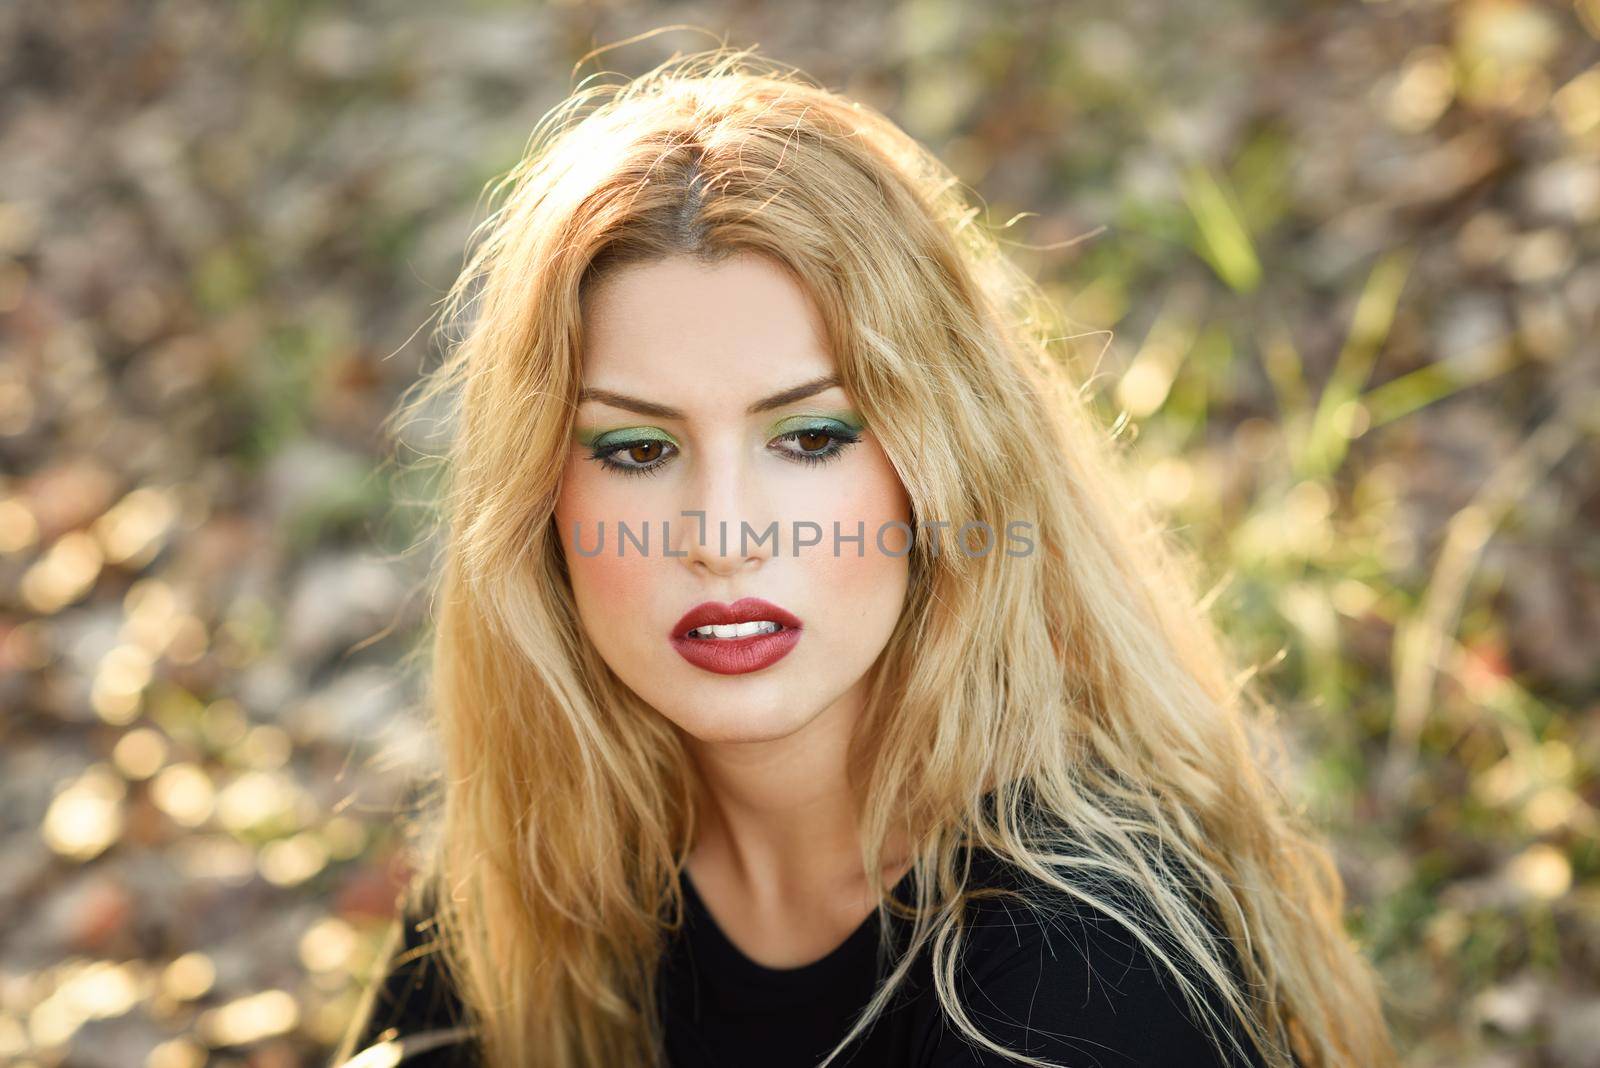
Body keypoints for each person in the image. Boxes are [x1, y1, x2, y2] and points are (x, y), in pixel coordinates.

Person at [330, 46, 1399, 1068]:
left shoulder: (1076, 980)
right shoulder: (551, 861)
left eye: (809, 438)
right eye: (638, 449)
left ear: (940, 471)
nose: (722, 536)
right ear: (540, 505)